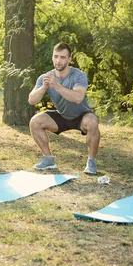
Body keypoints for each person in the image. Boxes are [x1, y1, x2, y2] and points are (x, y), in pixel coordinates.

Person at [28, 43, 101, 174]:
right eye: (56, 56)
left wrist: (56, 86)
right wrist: (44, 87)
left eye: (62, 57)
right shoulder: (45, 77)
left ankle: (91, 162)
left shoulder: (79, 75)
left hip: (81, 116)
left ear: (69, 59)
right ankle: (48, 159)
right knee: (35, 121)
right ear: (52, 57)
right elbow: (32, 100)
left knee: (92, 122)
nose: (58, 60)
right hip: (62, 116)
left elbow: (78, 97)